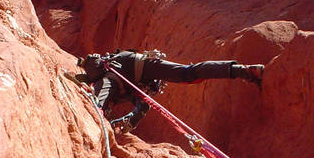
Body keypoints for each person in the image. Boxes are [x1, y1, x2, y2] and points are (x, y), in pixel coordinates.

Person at [75, 49, 264, 131]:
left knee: (103, 92)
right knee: (187, 73)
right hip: (144, 65)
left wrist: (99, 110)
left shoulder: (104, 79)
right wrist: (130, 122)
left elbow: (103, 92)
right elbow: (143, 106)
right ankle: (244, 71)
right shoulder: (123, 89)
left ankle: (243, 71)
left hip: (128, 70)